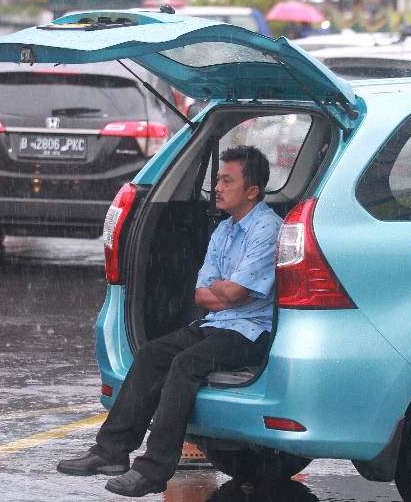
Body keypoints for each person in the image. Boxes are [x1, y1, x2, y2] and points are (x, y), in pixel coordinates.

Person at [56, 145, 283, 497]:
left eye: (227, 180)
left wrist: (228, 291)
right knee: (151, 354)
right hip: (218, 324)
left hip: (252, 332)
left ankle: (154, 469)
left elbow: (236, 294)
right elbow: (201, 294)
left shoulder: (268, 229)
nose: (217, 188)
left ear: (252, 191)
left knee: (185, 365)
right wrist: (229, 290)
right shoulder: (224, 230)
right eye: (218, 179)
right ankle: (111, 451)